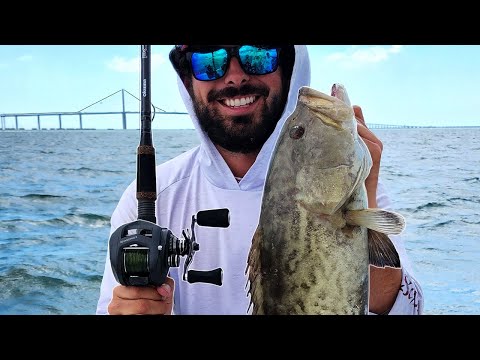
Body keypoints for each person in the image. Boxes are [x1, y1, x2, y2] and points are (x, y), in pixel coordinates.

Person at [96, 45, 423, 315]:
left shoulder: (365, 191)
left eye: (258, 53)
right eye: (209, 61)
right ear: (188, 79)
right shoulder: (151, 198)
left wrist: (364, 200)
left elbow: (408, 308)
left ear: (288, 67)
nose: (235, 76)